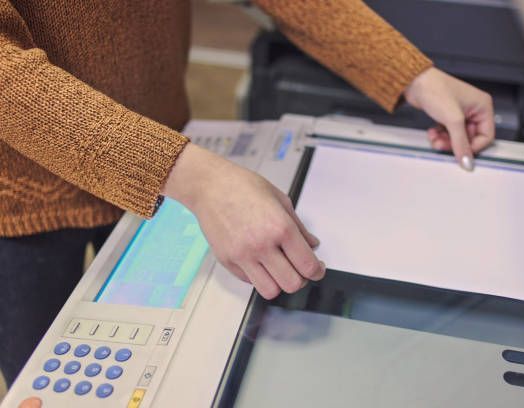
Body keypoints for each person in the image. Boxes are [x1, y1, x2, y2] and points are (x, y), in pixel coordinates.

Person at [0, 0, 494, 393]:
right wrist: (197, 177)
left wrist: (409, 75)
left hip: (163, 149)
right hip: (19, 194)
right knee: (45, 373)